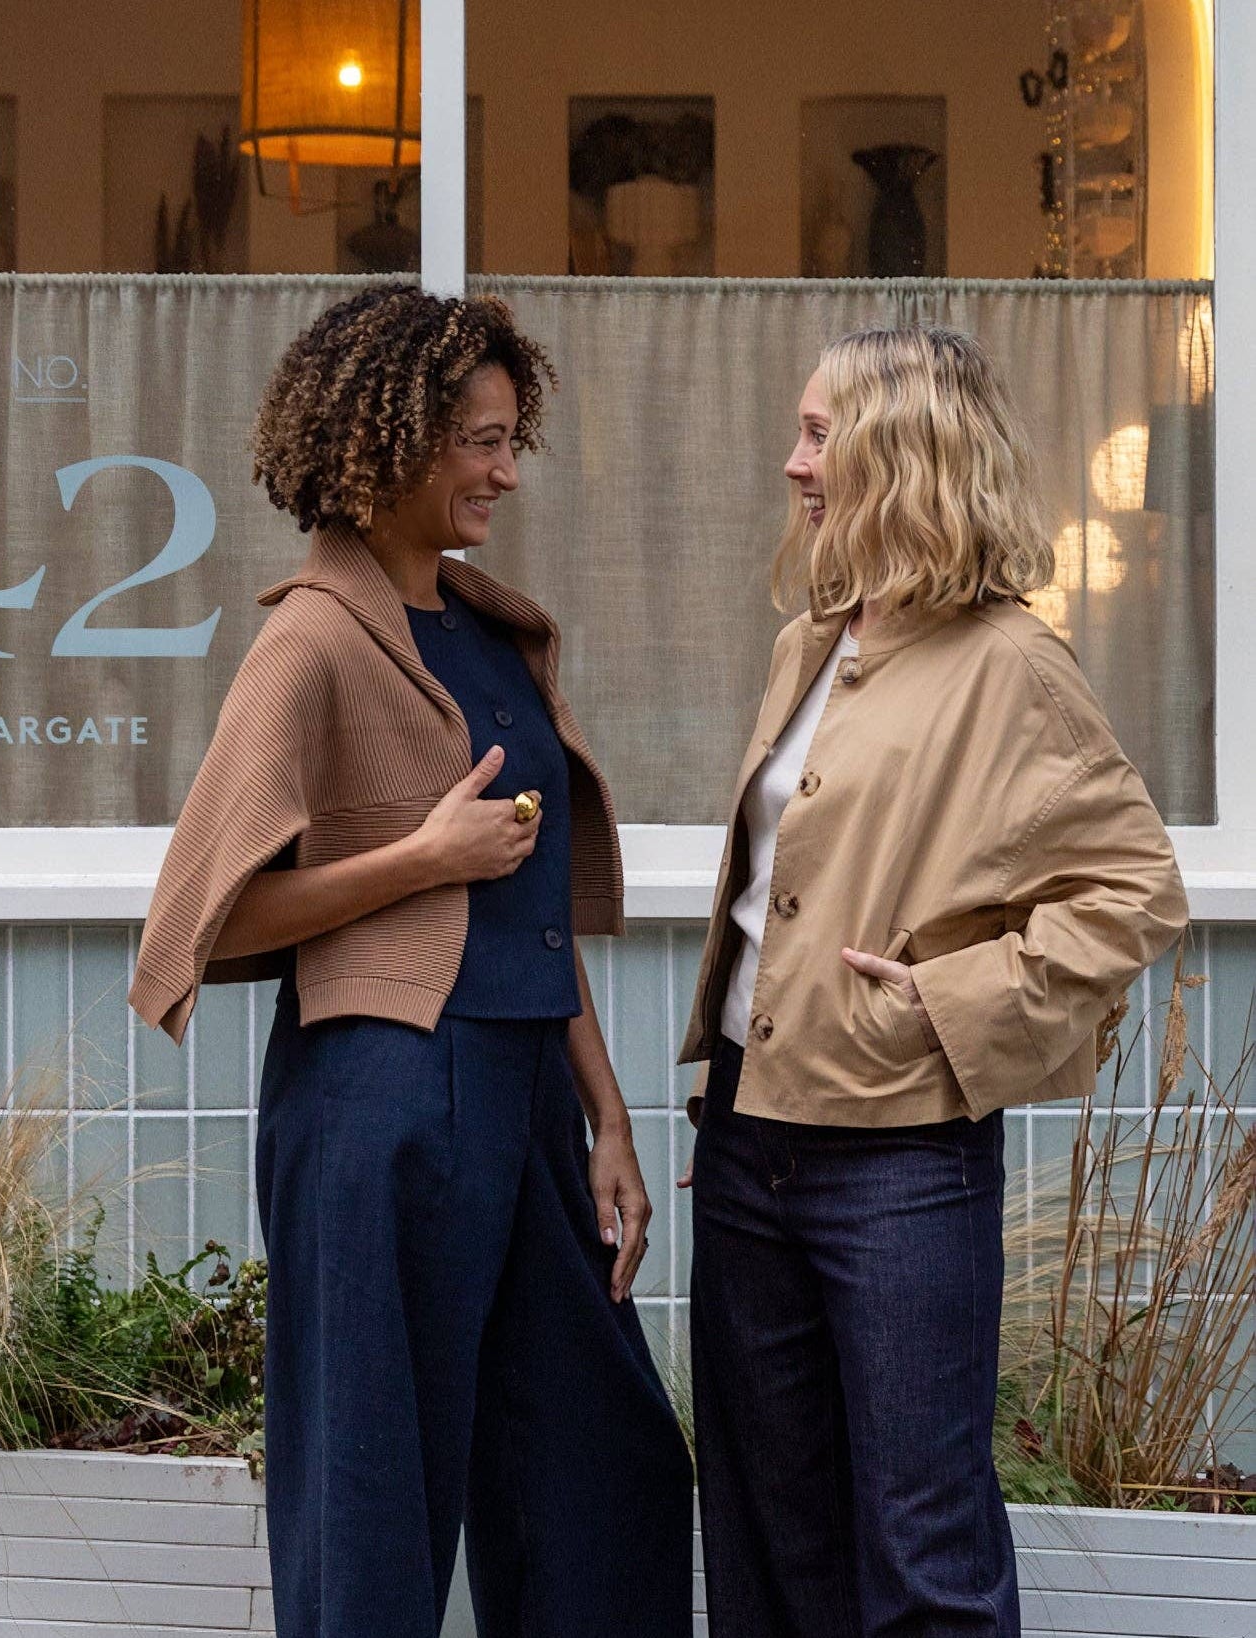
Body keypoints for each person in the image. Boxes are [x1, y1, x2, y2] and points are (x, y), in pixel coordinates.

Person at [130, 285, 692, 1638]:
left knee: (599, 1469)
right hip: (379, 1101)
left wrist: (607, 1115)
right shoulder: (309, 643)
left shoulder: (492, 634)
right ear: (391, 445)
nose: (506, 470)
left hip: (524, 1097)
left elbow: (532, 906)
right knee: (372, 1486)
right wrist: (413, 862)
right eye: (481, 442)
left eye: (513, 440)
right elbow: (204, 923)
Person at [676, 324, 1188, 1637]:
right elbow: (772, 890)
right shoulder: (811, 643)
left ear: (903, 456)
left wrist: (946, 1000)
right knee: (764, 1531)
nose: (793, 463)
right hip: (746, 1145)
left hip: (898, 1158)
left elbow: (1128, 890)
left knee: (922, 1547)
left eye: (817, 434)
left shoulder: (1011, 664)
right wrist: (749, 1068)